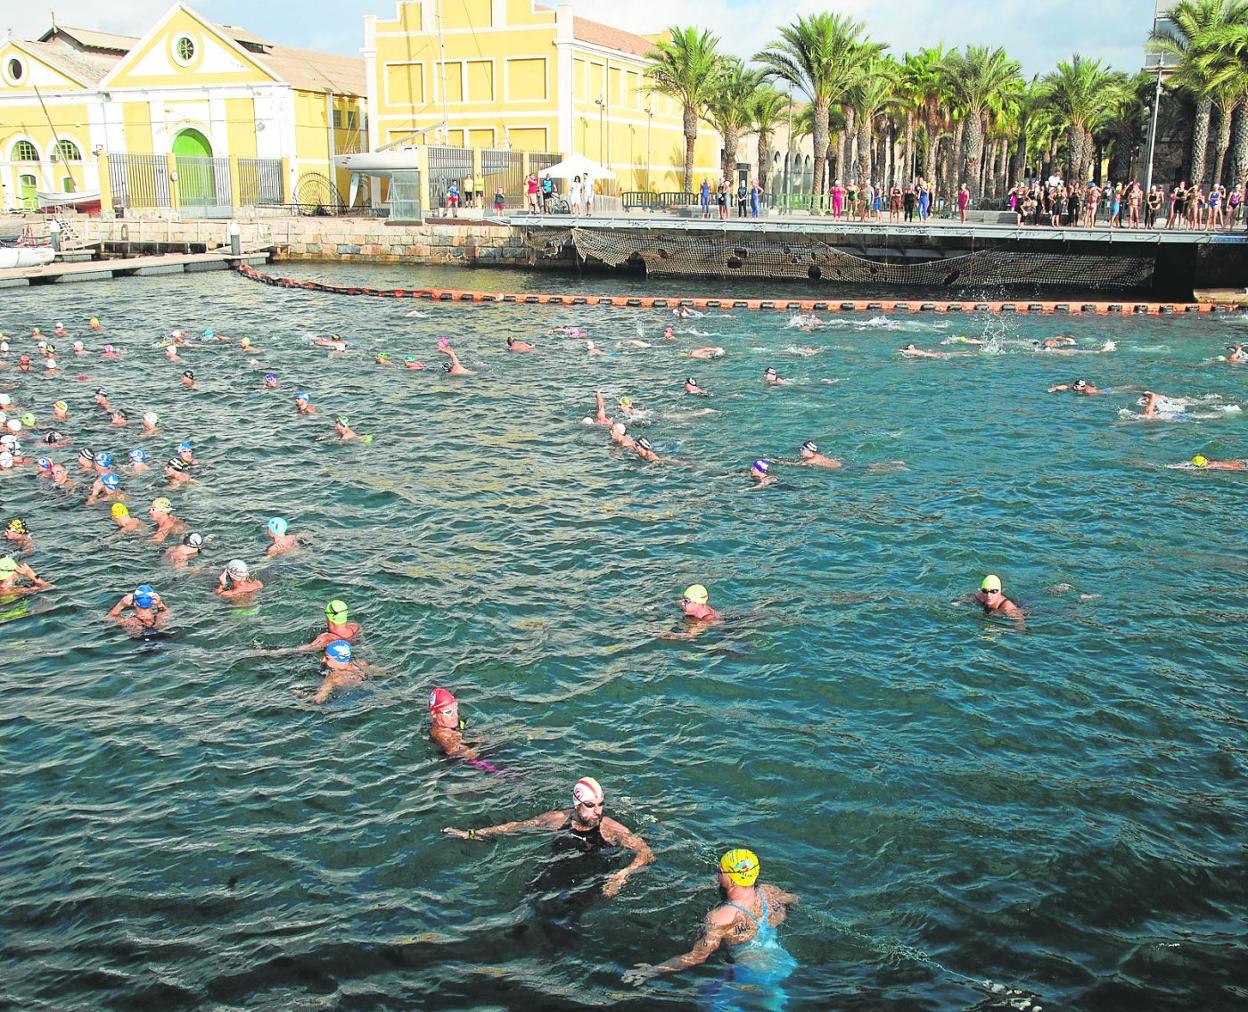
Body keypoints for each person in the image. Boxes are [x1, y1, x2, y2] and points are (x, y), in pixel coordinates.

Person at [623, 848, 798, 999]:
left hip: (749, 972)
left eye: (720, 871)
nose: (717, 872)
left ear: (732, 879)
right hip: (783, 962)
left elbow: (698, 956)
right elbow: (795, 900)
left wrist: (651, 970)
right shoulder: (770, 892)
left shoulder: (720, 917)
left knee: (709, 1002)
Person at [441, 776, 653, 900]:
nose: (597, 811)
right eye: (590, 806)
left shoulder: (611, 830)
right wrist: (472, 833)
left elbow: (646, 853)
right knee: (528, 900)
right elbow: (517, 826)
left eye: (601, 804)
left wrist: (623, 874)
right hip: (554, 875)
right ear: (577, 804)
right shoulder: (557, 819)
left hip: (586, 885)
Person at [308, 639, 382, 703]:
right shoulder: (360, 664)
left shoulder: (333, 677)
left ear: (338, 659)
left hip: (352, 697)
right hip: (369, 689)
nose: (323, 660)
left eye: (327, 658)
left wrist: (303, 697)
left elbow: (320, 698)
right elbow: (381, 671)